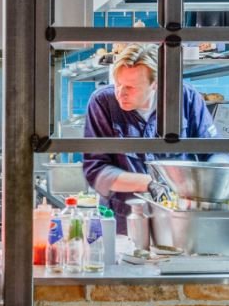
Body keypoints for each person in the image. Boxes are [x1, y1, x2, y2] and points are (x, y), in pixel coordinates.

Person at [82, 44, 221, 233]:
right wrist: (150, 183)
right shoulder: (103, 102)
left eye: (130, 87)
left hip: (179, 218)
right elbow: (96, 171)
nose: (120, 93)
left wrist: (215, 187)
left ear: (156, 83)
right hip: (124, 221)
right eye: (118, 84)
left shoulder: (185, 98)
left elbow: (215, 154)